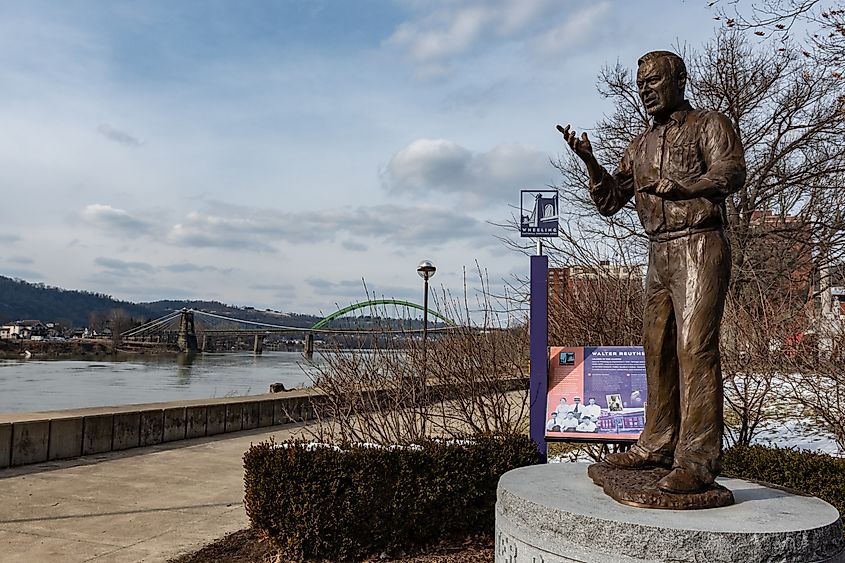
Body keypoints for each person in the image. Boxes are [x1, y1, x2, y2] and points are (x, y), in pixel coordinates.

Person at [558, 50, 746, 493]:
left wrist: (689, 187)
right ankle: (657, 444)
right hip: (659, 251)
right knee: (657, 349)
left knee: (694, 348)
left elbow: (731, 172)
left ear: (679, 81)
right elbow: (610, 201)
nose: (646, 90)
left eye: (654, 81)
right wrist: (590, 162)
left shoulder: (708, 124)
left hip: (699, 242)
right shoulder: (639, 146)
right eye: (641, 84)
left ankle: (696, 460)